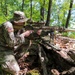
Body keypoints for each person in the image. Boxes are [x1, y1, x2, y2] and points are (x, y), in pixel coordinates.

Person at [0, 11, 35, 75]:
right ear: (16, 22)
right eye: (22, 22)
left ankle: (14, 59)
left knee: (27, 41)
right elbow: (11, 43)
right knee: (16, 71)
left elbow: (28, 37)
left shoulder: (18, 27)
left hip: (10, 49)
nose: (24, 23)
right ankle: (4, 63)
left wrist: (36, 33)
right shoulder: (8, 26)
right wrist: (24, 34)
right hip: (2, 50)